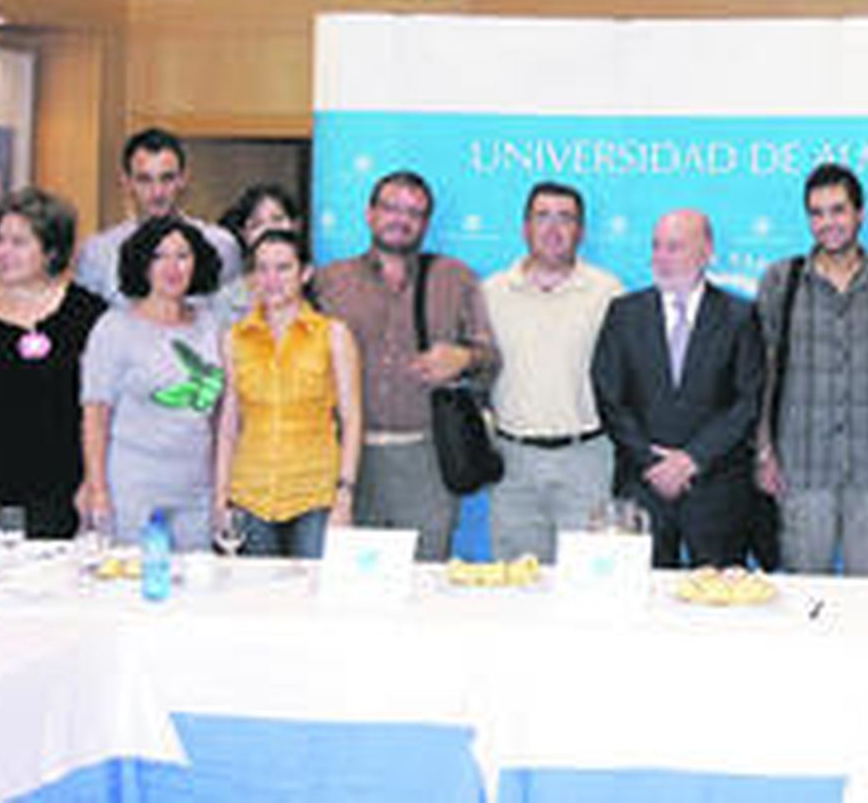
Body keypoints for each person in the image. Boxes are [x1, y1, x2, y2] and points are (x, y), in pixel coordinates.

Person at [314, 170, 498, 561]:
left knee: (424, 587)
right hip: (344, 460)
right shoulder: (329, 282)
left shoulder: (455, 278)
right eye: (391, 208)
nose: (401, 219)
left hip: (426, 461)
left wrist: (464, 359)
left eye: (414, 212)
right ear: (369, 214)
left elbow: (491, 361)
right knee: (353, 585)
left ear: (427, 223)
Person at [755, 164, 868, 576]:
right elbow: (763, 373)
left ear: (860, 213)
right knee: (805, 604)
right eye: (817, 213)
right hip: (802, 471)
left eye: (838, 210)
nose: (828, 223)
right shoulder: (780, 280)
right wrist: (763, 450)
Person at [593, 209, 765, 567]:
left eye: (674, 247)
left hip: (715, 490)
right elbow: (609, 398)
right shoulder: (624, 313)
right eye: (656, 247)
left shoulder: (739, 316)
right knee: (642, 611)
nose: (661, 258)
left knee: (718, 612)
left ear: (706, 252)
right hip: (643, 486)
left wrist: (691, 460)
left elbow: (747, 403)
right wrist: (652, 461)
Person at [0, 188, 107, 538]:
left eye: (19, 243)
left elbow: (101, 411)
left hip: (52, 493)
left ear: (52, 249)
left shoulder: (87, 316)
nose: (3, 252)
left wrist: (92, 482)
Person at [483, 182, 622, 561]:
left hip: (587, 459)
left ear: (582, 231)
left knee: (590, 582)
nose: (553, 228)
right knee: (517, 585)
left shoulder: (607, 292)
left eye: (566, 218)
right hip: (513, 461)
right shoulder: (491, 292)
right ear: (524, 226)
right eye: (542, 216)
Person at [77, 216, 226, 550]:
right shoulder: (114, 328)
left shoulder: (213, 326)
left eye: (183, 256)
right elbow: (95, 416)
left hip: (197, 493)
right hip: (133, 491)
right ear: (142, 264)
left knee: (196, 591)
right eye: (159, 256)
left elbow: (219, 418)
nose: (172, 267)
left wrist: (220, 491)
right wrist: (97, 490)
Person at [215, 230, 362, 558]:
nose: (271, 279)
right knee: (256, 601)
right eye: (262, 269)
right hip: (250, 495)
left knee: (315, 602)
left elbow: (352, 420)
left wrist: (345, 495)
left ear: (305, 273)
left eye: (283, 268)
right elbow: (228, 425)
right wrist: (221, 499)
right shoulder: (234, 338)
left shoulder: (333, 335)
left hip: (315, 495)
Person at [75, 128, 241, 309]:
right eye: (144, 180)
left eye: (167, 178)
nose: (157, 192)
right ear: (126, 182)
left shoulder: (221, 245)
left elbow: (233, 322)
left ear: (183, 179)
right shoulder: (97, 253)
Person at [214, 183, 302, 326]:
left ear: (295, 225)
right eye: (257, 224)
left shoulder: (326, 287)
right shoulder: (226, 300)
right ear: (244, 234)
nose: (269, 229)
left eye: (277, 219)